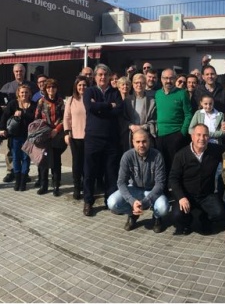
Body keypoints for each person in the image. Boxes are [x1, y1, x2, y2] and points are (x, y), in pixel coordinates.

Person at [168, 124, 225, 235]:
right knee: (176, 216)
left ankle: (204, 218)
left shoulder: (214, 150)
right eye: (198, 135)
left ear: (209, 137)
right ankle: (187, 221)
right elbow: (173, 179)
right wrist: (181, 197)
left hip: (206, 195)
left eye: (205, 135)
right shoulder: (181, 155)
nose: (202, 138)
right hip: (187, 195)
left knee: (220, 213)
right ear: (192, 136)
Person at [107, 129, 169, 233]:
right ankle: (133, 214)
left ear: (149, 141)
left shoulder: (157, 156)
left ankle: (157, 217)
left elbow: (160, 184)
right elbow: (121, 182)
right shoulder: (127, 156)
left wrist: (145, 202)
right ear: (133, 142)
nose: (141, 145)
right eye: (138, 142)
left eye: (144, 141)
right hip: (134, 189)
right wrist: (132, 201)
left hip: (152, 190)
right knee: (112, 203)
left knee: (163, 208)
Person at [82, 64, 124, 216]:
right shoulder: (89, 91)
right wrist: (108, 106)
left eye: (105, 75)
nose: (102, 77)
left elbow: (119, 109)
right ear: (95, 77)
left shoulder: (115, 92)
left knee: (111, 171)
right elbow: (90, 108)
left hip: (111, 139)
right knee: (89, 171)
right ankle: (88, 201)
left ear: (109, 77)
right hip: (93, 138)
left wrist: (99, 106)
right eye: (99, 74)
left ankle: (110, 200)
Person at [0, 64, 38, 184]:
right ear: (13, 72)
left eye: (20, 71)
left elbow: (35, 104)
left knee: (25, 154)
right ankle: (11, 172)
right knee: (11, 152)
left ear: (24, 71)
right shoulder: (8, 86)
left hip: (27, 131)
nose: (18, 73)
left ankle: (23, 174)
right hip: (14, 129)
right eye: (16, 71)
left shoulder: (32, 85)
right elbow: (3, 105)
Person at [155, 69, 193, 175]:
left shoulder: (182, 94)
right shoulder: (157, 94)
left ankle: (175, 189)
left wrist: (182, 133)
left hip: (176, 135)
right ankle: (164, 189)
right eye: (166, 78)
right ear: (161, 79)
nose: (168, 81)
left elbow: (188, 114)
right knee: (162, 165)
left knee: (176, 166)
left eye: (171, 78)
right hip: (160, 136)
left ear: (175, 79)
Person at [35, 78, 65, 196]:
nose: (51, 89)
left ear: (56, 89)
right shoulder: (41, 102)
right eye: (48, 87)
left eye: (53, 87)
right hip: (44, 135)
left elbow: (64, 118)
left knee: (56, 161)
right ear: (45, 89)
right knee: (44, 160)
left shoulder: (60, 101)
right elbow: (37, 118)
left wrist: (56, 129)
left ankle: (56, 185)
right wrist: (44, 129)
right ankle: (44, 185)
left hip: (57, 134)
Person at [64, 76, 88, 200]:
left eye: (84, 85)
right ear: (76, 86)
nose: (82, 87)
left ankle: (87, 185)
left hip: (89, 136)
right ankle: (77, 187)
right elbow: (66, 117)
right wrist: (67, 133)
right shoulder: (71, 100)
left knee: (87, 163)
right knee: (77, 163)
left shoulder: (91, 98)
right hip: (75, 136)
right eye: (79, 85)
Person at [123, 73, 157, 153]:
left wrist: (142, 127)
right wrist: (131, 126)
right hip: (131, 136)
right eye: (136, 83)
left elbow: (154, 120)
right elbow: (123, 118)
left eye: (142, 83)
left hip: (146, 137)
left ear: (145, 84)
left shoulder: (152, 102)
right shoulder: (127, 101)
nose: (139, 85)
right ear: (133, 84)